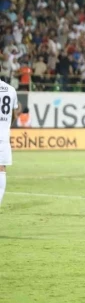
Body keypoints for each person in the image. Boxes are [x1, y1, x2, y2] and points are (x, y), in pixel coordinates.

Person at [0, 78, 19, 209]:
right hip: (3, 136)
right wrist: (5, 127)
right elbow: (14, 115)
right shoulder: (10, 89)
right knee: (1, 169)